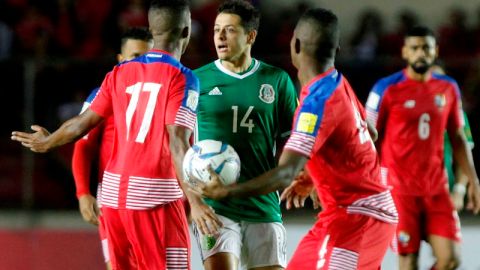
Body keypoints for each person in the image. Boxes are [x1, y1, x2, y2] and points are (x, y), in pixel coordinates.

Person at [193, 8, 398, 270]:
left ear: (296, 45)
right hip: (347, 214)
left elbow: (285, 173)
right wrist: (313, 175)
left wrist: (227, 191)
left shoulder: (314, 102)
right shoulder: (337, 82)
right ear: (336, 48)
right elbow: (370, 132)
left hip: (357, 217)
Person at [12, 0, 203, 269]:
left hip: (113, 201)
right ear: (186, 31)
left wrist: (47, 141)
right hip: (155, 198)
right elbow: (178, 141)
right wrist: (196, 201)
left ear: (151, 29)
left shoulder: (118, 73)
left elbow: (81, 124)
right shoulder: (183, 77)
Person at [190, 1, 298, 269]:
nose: (220, 37)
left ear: (250, 36)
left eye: (229, 30)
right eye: (217, 30)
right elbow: (177, 145)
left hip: (263, 204)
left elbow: (295, 141)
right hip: (215, 207)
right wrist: (194, 202)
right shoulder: (196, 80)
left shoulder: (277, 80)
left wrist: (300, 174)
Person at [365, 26, 480, 270]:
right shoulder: (384, 88)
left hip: (437, 189)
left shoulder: (448, 88)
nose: (420, 53)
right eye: (414, 48)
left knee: (451, 259)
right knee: (409, 261)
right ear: (405, 52)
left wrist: (472, 181)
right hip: (400, 190)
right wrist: (368, 184)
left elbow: (459, 138)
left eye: (426, 48)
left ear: (435, 51)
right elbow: (365, 138)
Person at [71, 27, 152, 269]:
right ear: (120, 59)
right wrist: (83, 193)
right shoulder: (103, 95)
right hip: (114, 197)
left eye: (147, 58)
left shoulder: (165, 94)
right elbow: (83, 146)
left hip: (154, 195)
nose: (141, 65)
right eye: (135, 57)